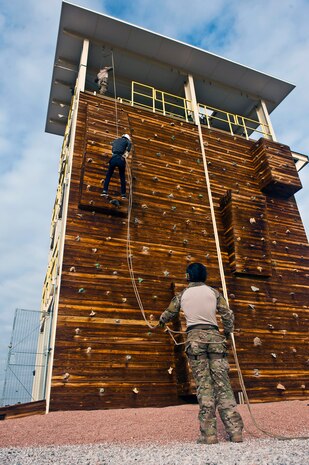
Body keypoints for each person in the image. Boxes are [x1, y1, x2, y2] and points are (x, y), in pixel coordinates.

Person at [159, 262, 244, 445]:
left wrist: (161, 321)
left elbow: (168, 314)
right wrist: (227, 333)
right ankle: (235, 432)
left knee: (204, 385)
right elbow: (227, 314)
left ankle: (209, 435)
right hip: (215, 339)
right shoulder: (214, 293)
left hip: (195, 340)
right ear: (204, 276)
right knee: (223, 384)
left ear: (188, 276)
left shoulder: (182, 295)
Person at [101, 134, 132, 199]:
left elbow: (113, 148)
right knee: (122, 177)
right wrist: (126, 153)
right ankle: (123, 194)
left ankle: (104, 191)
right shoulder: (127, 141)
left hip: (113, 158)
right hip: (120, 159)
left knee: (108, 175)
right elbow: (129, 145)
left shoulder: (115, 140)